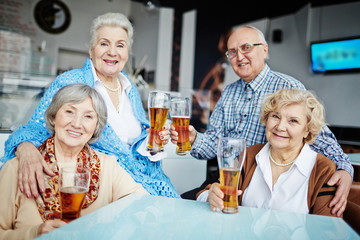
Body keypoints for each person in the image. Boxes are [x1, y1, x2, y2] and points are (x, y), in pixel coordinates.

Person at [170, 25, 352, 216]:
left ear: (264, 50)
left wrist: (346, 170)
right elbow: (214, 142)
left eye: (246, 47)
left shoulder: (287, 86)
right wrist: (194, 139)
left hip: (263, 178)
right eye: (232, 52)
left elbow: (320, 138)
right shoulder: (229, 92)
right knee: (183, 207)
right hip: (230, 175)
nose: (239, 56)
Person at [0, 12, 179, 198]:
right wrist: (26, 148)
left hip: (147, 180)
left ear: (127, 53)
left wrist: (152, 143)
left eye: (120, 45)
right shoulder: (70, 81)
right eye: (104, 43)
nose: (112, 52)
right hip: (98, 188)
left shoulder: (129, 88)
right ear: (91, 50)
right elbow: (34, 129)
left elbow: (135, 143)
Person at [0, 84, 148, 239]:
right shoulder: (17, 168)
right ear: (53, 116)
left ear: (96, 126)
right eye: (69, 112)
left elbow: (145, 206)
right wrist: (34, 233)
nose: (77, 124)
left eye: (88, 116)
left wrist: (109, 225)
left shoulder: (108, 166)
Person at [198, 89, 338, 217]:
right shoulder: (250, 154)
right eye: (275, 116)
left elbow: (327, 231)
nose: (280, 127)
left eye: (293, 121)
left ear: (308, 129)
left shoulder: (323, 169)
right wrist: (211, 196)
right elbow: (209, 192)